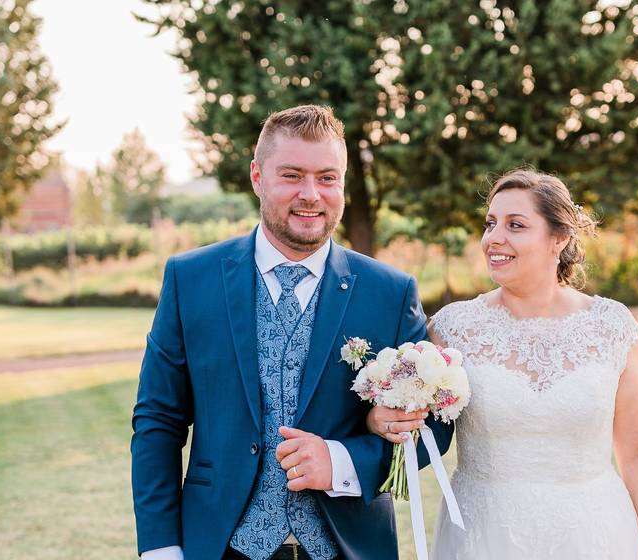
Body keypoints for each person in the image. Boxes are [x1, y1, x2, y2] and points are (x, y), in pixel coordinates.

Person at [131, 105, 453, 560]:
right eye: (292, 175)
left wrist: (341, 462)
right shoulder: (191, 279)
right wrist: (161, 548)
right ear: (257, 177)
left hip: (349, 548)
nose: (311, 194)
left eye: (327, 177)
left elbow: (432, 430)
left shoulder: (390, 292)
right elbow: (158, 421)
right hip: (220, 545)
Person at [368, 169, 638, 559]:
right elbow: (410, 425)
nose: (494, 238)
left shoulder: (611, 328)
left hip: (595, 534)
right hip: (485, 535)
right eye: (490, 223)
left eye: (516, 225)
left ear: (559, 238)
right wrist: (380, 418)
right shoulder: (452, 329)